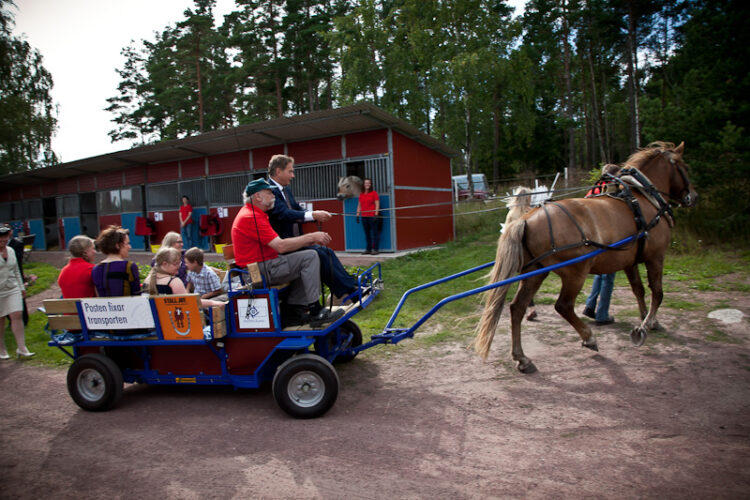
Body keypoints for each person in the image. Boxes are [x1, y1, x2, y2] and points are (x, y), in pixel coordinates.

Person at [232, 178, 344, 327]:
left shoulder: (255, 214)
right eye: (269, 192)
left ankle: (293, 311)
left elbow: (278, 246)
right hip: (258, 271)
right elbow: (281, 247)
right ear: (258, 196)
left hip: (262, 266)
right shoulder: (251, 217)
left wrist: (306, 241)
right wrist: (311, 237)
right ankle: (315, 310)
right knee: (309, 257)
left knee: (305, 256)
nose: (273, 195)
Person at [266, 154, 358, 299]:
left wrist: (315, 214)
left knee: (325, 251)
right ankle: (349, 290)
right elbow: (284, 214)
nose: (293, 175)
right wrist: (313, 215)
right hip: (283, 246)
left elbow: (296, 209)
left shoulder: (285, 190)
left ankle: (349, 287)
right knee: (320, 253)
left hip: (294, 242)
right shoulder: (269, 192)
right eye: (290, 171)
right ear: (278, 171)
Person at [582, 164, 622, 325]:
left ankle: (590, 306)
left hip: (591, 237)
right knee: (608, 275)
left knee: (600, 274)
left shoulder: (595, 189)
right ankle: (602, 313)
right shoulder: (612, 190)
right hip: (605, 236)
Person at [145, 247, 226, 309]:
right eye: (176, 264)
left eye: (179, 263)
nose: (179, 267)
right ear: (165, 264)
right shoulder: (174, 282)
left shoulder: (148, 279)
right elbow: (190, 302)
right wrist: (212, 303)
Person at [0, 224, 34, 359]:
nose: (2, 240)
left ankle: (22, 347)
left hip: (12, 288)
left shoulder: (11, 250)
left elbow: (16, 271)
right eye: (0, 237)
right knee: (0, 320)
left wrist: (21, 287)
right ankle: (1, 348)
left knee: (17, 315)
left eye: (4, 237)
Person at [91, 226, 141, 297]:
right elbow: (136, 294)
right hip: (127, 306)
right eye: (127, 243)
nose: (130, 247)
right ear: (117, 245)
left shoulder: (96, 268)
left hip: (105, 307)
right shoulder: (128, 266)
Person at [356, 177, 381, 255]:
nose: (367, 184)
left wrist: (376, 214)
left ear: (371, 184)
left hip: (372, 216)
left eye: (369, 183)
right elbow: (359, 205)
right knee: (367, 234)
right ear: (363, 185)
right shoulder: (361, 194)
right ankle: (368, 249)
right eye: (366, 183)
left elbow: (377, 204)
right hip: (364, 216)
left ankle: (376, 249)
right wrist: (357, 214)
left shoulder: (374, 193)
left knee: (375, 233)